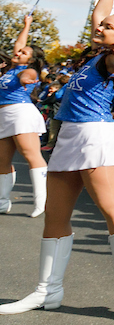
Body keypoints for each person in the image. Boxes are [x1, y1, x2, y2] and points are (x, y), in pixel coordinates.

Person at [1, 0, 114, 321]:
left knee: (112, 209)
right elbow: (100, 13)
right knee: (55, 218)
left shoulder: (110, 59)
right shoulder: (92, 56)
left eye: (109, 27)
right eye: (101, 26)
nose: (100, 27)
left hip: (95, 137)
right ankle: (47, 291)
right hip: (70, 137)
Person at [0, 14, 49, 217]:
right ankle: (2, 202)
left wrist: (27, 79)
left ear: (31, 60)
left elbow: (28, 76)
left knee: (31, 156)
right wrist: (27, 25)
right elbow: (20, 43)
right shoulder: (12, 67)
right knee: (2, 160)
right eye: (19, 51)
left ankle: (41, 201)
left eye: (24, 52)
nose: (18, 52)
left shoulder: (27, 71)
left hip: (21, 114)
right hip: (3, 116)